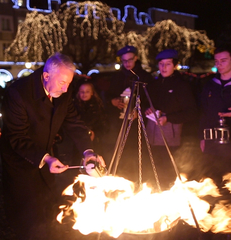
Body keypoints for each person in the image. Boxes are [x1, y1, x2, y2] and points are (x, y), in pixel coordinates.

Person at [0, 52, 106, 240]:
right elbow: (16, 137)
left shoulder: (63, 91)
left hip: (47, 163)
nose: (65, 90)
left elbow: (74, 122)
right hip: (22, 166)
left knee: (47, 215)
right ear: (46, 76)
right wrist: (46, 158)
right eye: (62, 83)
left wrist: (88, 151)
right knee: (30, 223)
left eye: (68, 84)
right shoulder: (19, 93)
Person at [144, 49, 198, 190]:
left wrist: (168, 118)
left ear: (175, 65)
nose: (164, 67)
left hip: (172, 140)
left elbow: (191, 112)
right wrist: (148, 109)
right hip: (152, 137)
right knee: (153, 173)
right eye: (161, 64)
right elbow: (147, 104)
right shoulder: (154, 85)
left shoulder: (182, 86)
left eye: (168, 64)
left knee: (169, 174)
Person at [199, 46, 231, 184]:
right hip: (213, 145)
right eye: (216, 61)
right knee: (213, 183)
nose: (219, 64)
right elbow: (203, 113)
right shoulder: (210, 85)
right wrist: (202, 137)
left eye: (223, 60)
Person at [104, 45, 154, 183]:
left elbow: (151, 99)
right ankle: (120, 181)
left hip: (138, 125)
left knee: (137, 154)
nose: (127, 63)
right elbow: (107, 97)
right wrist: (112, 101)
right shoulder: (117, 77)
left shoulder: (144, 77)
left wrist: (141, 111)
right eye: (124, 60)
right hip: (119, 123)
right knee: (119, 153)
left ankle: (139, 181)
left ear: (136, 58)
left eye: (130, 60)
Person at [74, 81, 109, 155]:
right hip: (78, 142)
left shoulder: (98, 107)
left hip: (95, 143)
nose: (84, 94)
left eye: (87, 92)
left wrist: (95, 133)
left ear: (92, 93)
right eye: (82, 92)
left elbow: (104, 125)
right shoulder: (74, 107)